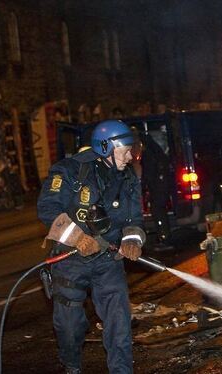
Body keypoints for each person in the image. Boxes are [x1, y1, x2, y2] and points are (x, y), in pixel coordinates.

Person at [37, 120, 145, 374]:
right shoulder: (70, 171)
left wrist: (131, 240)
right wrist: (76, 238)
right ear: (106, 147)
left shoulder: (127, 177)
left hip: (108, 261)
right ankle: (72, 365)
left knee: (119, 324)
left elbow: (134, 218)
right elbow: (47, 209)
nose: (130, 156)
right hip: (70, 260)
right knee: (70, 326)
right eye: (125, 150)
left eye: (132, 150)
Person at [140, 127, 173, 249]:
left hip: (158, 190)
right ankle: (164, 237)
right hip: (161, 189)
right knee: (161, 213)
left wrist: (144, 187)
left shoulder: (149, 155)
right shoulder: (157, 153)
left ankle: (164, 238)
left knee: (158, 213)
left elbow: (148, 174)